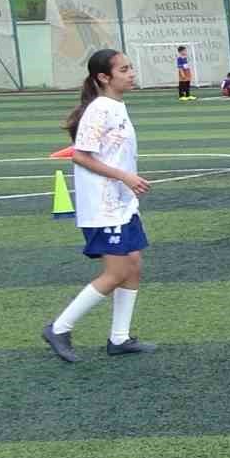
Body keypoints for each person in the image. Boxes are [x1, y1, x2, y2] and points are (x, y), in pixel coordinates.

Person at [41, 49, 156, 362]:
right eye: (124, 69)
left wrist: (128, 181)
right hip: (104, 206)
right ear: (103, 77)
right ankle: (59, 327)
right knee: (117, 271)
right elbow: (80, 155)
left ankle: (119, 338)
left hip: (121, 202)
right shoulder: (100, 109)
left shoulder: (116, 105)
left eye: (131, 67)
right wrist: (124, 176)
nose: (131, 73)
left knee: (133, 265)